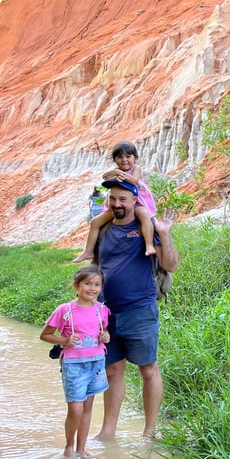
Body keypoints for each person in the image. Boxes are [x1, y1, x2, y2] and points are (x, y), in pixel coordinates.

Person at [91, 178, 179, 440]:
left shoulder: (146, 228)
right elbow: (97, 267)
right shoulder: (103, 229)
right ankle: (107, 432)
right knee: (113, 370)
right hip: (106, 314)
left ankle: (149, 433)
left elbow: (171, 265)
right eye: (113, 199)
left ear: (134, 201)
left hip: (140, 310)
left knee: (148, 369)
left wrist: (164, 233)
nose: (117, 204)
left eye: (123, 199)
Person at [40, 265, 111, 459]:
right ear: (76, 285)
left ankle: (81, 449)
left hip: (96, 363)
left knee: (87, 407)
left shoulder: (102, 310)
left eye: (97, 284)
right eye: (87, 283)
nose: (92, 288)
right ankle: (69, 447)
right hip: (73, 364)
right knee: (75, 408)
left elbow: (104, 331)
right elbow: (45, 335)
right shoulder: (65, 310)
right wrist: (64, 341)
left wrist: (106, 336)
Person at [73, 141, 157, 263]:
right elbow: (105, 177)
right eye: (119, 157)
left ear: (135, 158)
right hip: (119, 204)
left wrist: (118, 173)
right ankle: (88, 251)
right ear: (114, 159)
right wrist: (115, 174)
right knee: (95, 222)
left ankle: (149, 244)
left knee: (144, 215)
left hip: (137, 201)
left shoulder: (136, 168)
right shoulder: (116, 170)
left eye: (128, 156)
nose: (124, 160)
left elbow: (133, 181)